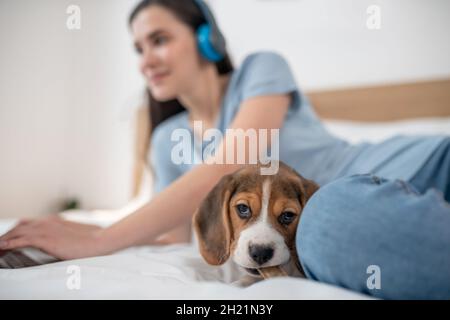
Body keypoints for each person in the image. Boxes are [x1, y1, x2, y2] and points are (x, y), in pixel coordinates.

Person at [0, 0, 448, 299]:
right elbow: (179, 233)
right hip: (359, 224)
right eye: (137, 48)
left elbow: (235, 161)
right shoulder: (165, 140)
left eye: (159, 39)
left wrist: (101, 237)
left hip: (426, 167)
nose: (145, 60)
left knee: (323, 212)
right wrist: (77, 237)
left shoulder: (261, 69)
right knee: (321, 227)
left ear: (206, 39)